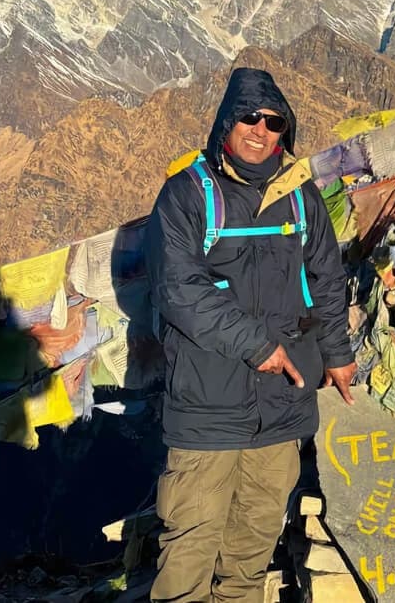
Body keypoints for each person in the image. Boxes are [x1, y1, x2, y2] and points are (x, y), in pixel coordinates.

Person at [145, 67, 357, 603]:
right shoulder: (187, 195)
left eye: (274, 122)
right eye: (249, 117)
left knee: (251, 550)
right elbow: (178, 289)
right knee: (190, 547)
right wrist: (257, 346)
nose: (260, 130)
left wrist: (335, 351)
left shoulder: (301, 197)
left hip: (282, 405)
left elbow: (326, 278)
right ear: (227, 123)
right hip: (207, 407)